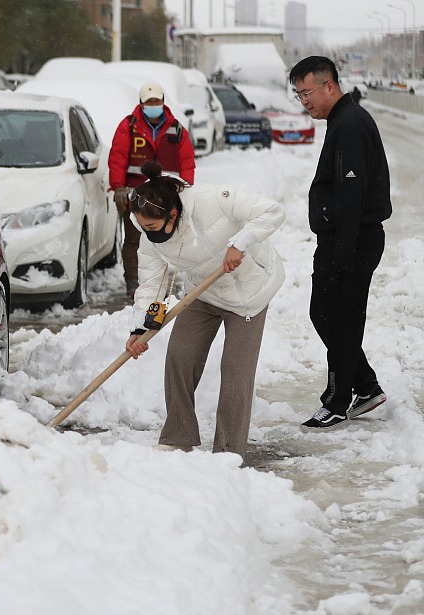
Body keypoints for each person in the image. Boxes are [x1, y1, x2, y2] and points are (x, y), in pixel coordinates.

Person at [125, 161, 285, 461]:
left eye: (152, 227)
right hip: (204, 290)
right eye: (143, 227)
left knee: (236, 374)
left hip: (248, 292)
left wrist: (240, 243)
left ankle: (227, 452)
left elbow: (272, 211)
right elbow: (151, 284)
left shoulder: (213, 199)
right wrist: (140, 329)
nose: (147, 233)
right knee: (180, 357)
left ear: (173, 214)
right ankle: (178, 435)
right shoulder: (149, 235)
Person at [288, 56, 392, 431]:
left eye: (307, 93)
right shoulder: (343, 120)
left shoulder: (348, 124)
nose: (304, 101)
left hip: (352, 239)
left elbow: (351, 194)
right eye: (298, 94)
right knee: (327, 314)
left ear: (329, 86)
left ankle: (337, 400)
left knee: (340, 320)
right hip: (345, 237)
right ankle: (365, 386)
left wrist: (343, 254)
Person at [108, 82, 196, 298]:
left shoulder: (176, 129)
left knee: (164, 238)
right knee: (133, 239)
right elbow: (117, 158)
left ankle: (161, 283)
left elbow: (187, 161)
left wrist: (185, 189)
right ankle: (133, 282)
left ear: (163, 101)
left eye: (156, 101)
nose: (153, 105)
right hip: (135, 194)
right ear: (141, 103)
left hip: (166, 195)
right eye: (149, 102)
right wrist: (118, 188)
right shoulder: (128, 126)